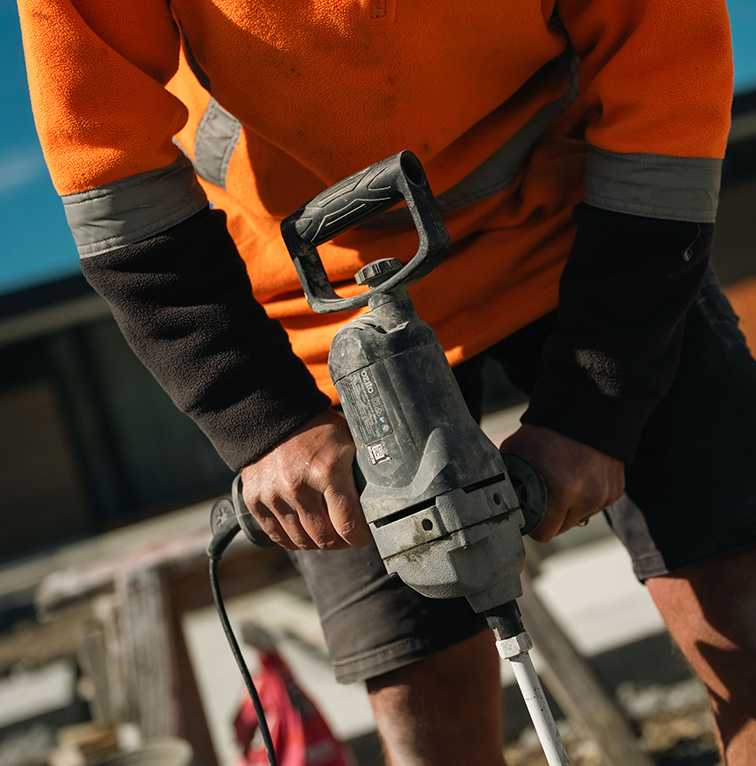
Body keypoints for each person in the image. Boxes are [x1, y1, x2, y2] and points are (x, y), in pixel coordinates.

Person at [17, 1, 756, 762]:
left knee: (740, 590)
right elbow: (107, 166)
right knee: (418, 681)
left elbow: (669, 68)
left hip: (583, 234)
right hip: (315, 308)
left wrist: (603, 396)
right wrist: (264, 420)